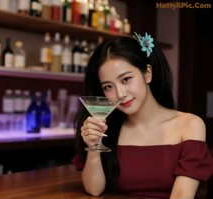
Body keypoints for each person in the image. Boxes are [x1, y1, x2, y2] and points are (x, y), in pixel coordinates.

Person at [72, 32, 213, 199]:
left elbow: (182, 195)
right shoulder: (106, 127)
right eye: (108, 86)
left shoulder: (190, 124)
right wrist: (94, 146)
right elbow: (94, 189)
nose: (120, 94)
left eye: (126, 79)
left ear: (147, 74)